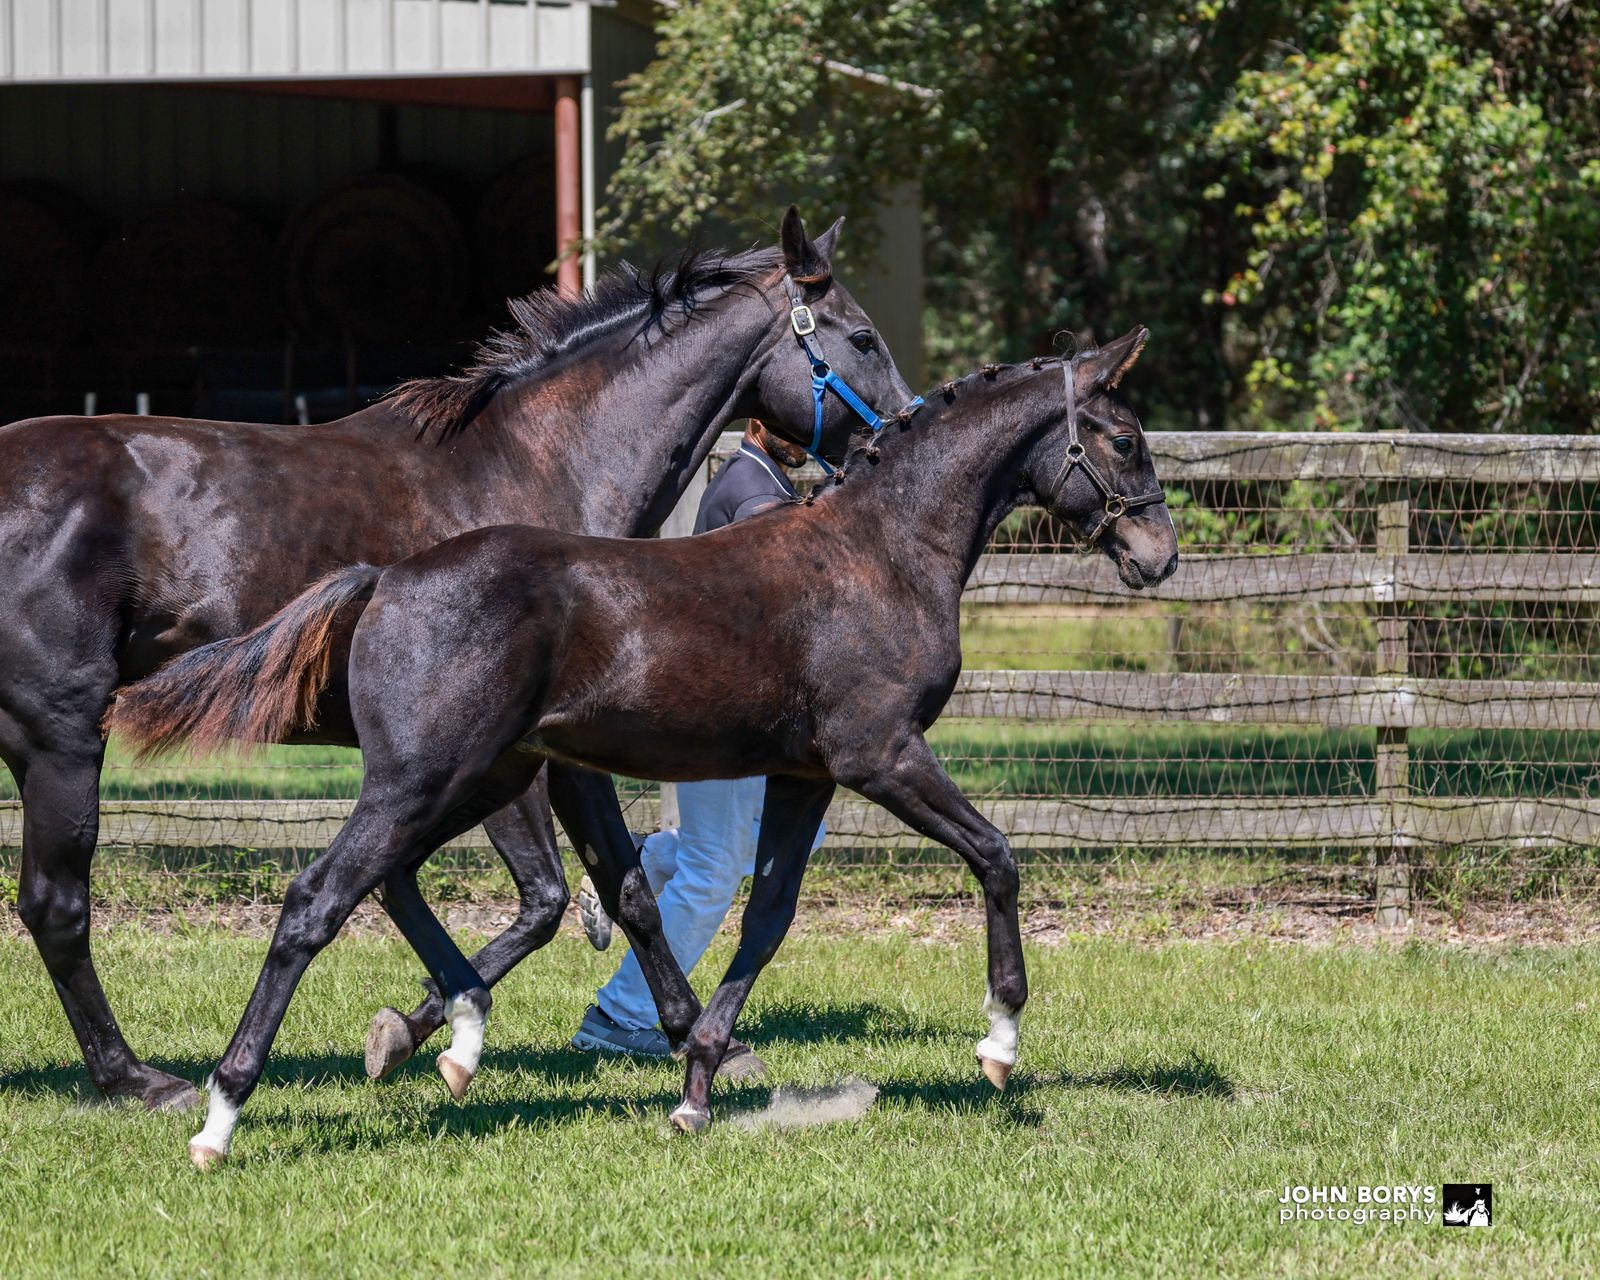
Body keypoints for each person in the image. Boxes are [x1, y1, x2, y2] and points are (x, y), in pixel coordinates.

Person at [570, 420, 825, 1076]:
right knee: (715, 868)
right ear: (758, 424)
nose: (802, 440)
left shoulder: (755, 482)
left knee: (780, 840)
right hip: (725, 711)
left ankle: (639, 864)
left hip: (735, 709)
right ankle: (620, 1017)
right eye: (789, 428)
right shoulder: (752, 491)